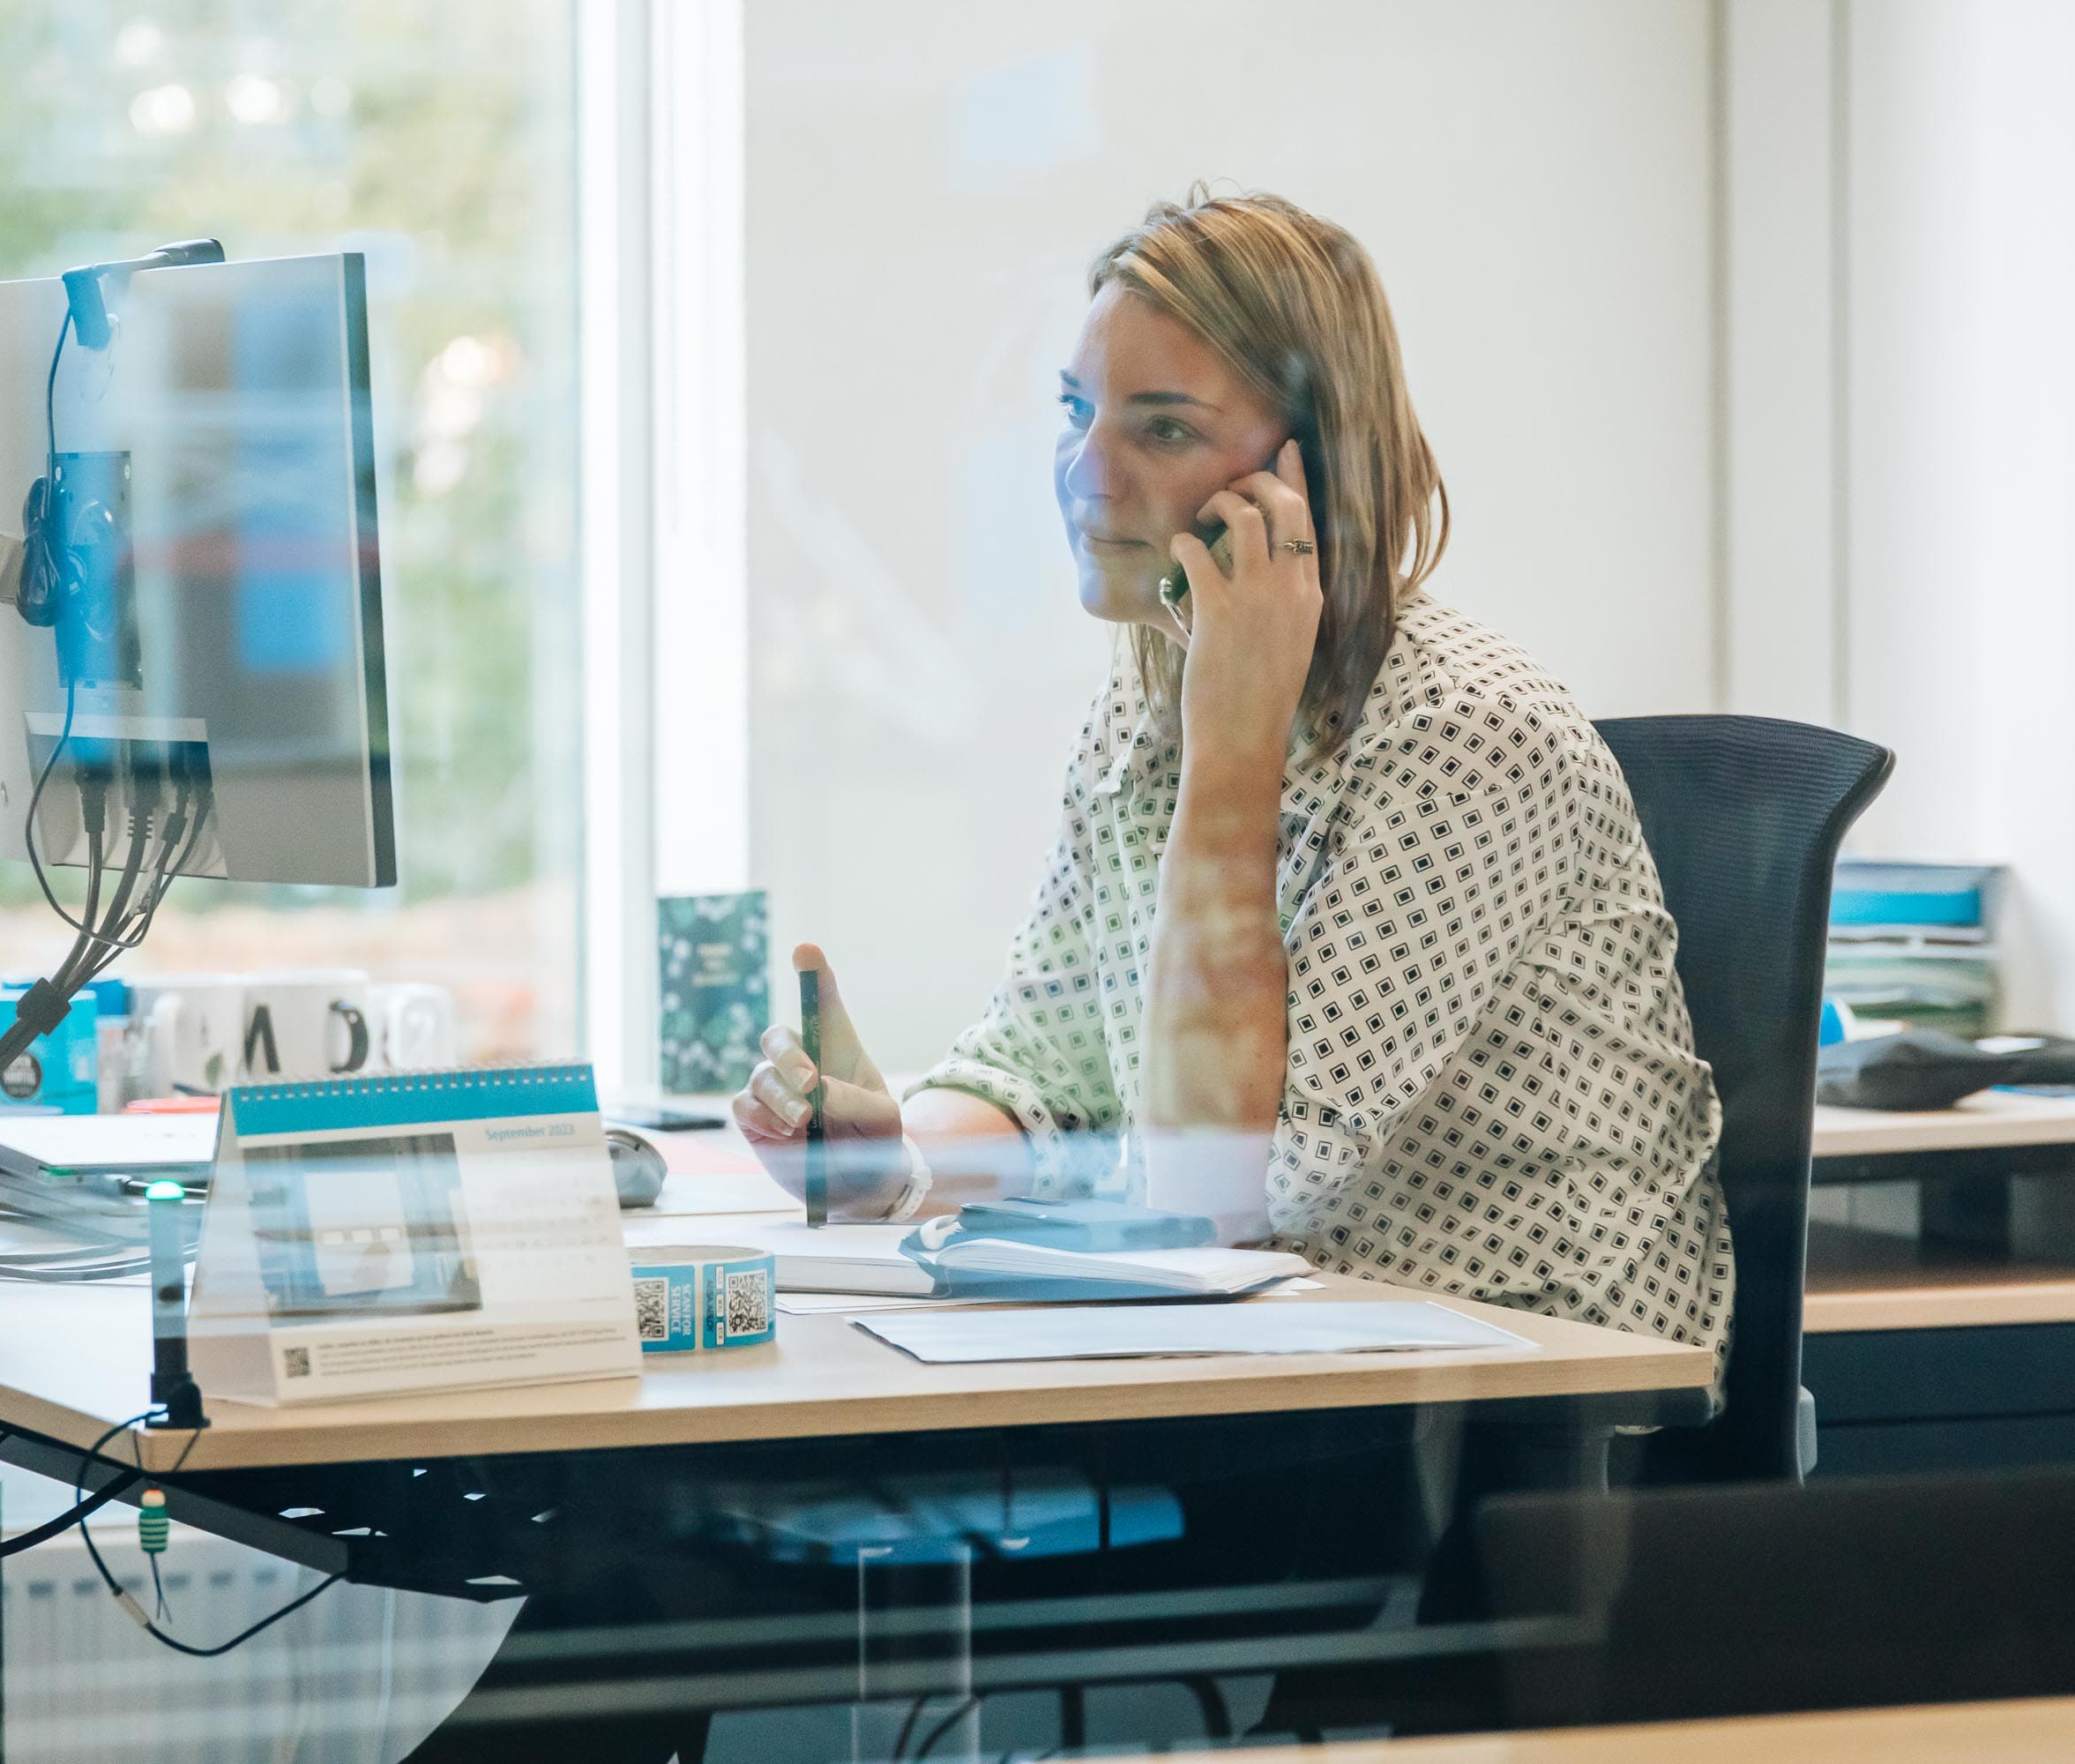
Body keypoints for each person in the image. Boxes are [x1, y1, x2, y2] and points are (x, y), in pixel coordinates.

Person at [738, 185, 1730, 1356]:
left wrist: (1234, 754)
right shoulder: (1152, 689)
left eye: (1160, 430)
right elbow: (1041, 1067)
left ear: (1309, 473)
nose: (1083, 473)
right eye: (1076, 411)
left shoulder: (1469, 737)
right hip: (1271, 1373)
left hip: (1522, 1410)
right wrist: (892, 1161)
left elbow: (1224, 1193)